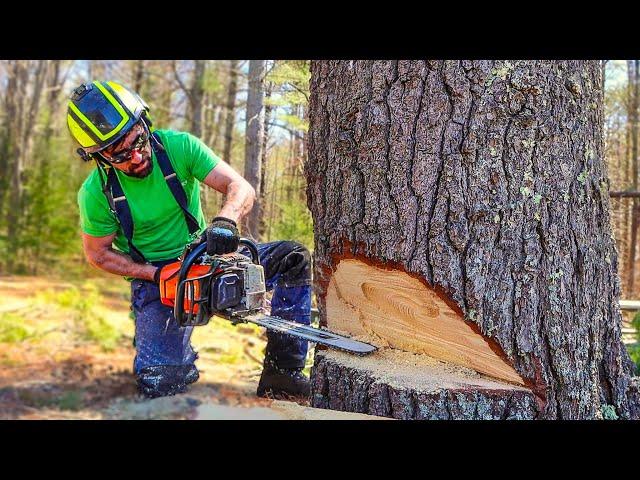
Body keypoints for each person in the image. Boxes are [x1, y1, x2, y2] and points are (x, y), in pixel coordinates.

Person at [68, 80, 311, 399]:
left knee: (292, 258)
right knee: (160, 384)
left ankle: (283, 372)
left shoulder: (179, 147)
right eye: (120, 155)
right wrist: (155, 274)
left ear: (144, 123)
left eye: (137, 141)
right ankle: (163, 371)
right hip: (157, 278)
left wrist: (225, 222)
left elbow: (241, 188)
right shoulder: (95, 193)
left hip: (204, 254)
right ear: (99, 157)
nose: (136, 157)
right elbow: (98, 254)